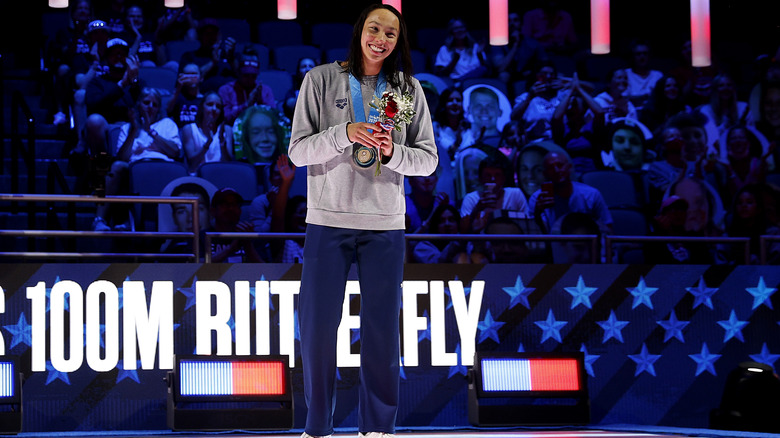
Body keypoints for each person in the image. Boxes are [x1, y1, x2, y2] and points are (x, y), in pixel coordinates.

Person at [287, 5, 438, 438]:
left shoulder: (407, 91)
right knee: (316, 332)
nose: (381, 38)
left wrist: (393, 153)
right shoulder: (319, 80)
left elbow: (428, 161)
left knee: (381, 333)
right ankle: (317, 428)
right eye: (374, 28)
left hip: (385, 223)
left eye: (391, 33)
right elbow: (297, 152)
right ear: (360, 32)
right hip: (327, 220)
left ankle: (377, 429)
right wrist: (344, 133)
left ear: (397, 41)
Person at [528, 151, 613, 234]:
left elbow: (607, 229)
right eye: (551, 168)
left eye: (560, 165)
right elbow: (534, 236)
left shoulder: (591, 195)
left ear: (570, 167)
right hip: (552, 246)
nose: (556, 170)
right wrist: (537, 214)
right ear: (545, 173)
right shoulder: (537, 199)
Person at [460, 154, 528, 234]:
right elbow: (463, 232)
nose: (493, 179)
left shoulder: (515, 194)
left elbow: (528, 224)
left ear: (503, 178)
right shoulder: (471, 199)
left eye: (497, 175)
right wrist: (477, 209)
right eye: (488, 175)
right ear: (480, 179)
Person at [490, 11, 548, 88]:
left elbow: (545, 63)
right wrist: (515, 45)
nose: (512, 24)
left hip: (528, 75)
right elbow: (501, 68)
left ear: (521, 24)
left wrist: (533, 70)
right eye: (508, 21)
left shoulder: (532, 43)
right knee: (503, 75)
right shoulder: (497, 42)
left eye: (515, 20)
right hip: (508, 76)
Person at [180, 91, 233, 174]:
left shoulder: (227, 130)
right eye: (210, 104)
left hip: (221, 175)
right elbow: (192, 164)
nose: (214, 109)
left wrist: (222, 143)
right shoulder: (189, 129)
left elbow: (228, 163)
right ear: (202, 107)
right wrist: (208, 143)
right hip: (197, 178)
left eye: (218, 106)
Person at [219, 52, 276, 125]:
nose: (250, 79)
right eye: (246, 75)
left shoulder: (265, 90)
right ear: (238, 73)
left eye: (253, 76)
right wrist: (246, 104)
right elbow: (226, 118)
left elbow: (274, 117)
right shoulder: (226, 90)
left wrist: (260, 101)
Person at [209, 187, 262, 263]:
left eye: (235, 204)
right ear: (213, 210)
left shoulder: (252, 237)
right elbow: (194, 268)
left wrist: (248, 246)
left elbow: (265, 271)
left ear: (240, 211)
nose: (231, 208)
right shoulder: (202, 238)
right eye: (225, 204)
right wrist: (230, 249)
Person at [433, 17, 489, 83]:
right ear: (451, 32)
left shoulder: (476, 47)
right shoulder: (445, 49)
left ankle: (461, 81)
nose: (460, 30)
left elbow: (487, 71)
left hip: (475, 82)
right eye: (456, 28)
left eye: (462, 27)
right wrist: (454, 60)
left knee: (482, 69)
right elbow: (441, 74)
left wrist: (479, 55)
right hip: (453, 83)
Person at [623, 41, 664, 111]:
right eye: (638, 54)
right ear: (632, 56)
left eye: (645, 54)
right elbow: (622, 99)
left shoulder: (658, 75)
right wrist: (646, 97)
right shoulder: (625, 74)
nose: (642, 57)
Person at [166, 63, 203, 129]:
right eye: (187, 74)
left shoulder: (205, 100)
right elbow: (168, 110)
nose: (191, 77)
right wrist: (178, 88)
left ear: (201, 78)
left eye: (193, 74)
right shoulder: (177, 97)